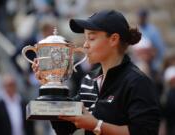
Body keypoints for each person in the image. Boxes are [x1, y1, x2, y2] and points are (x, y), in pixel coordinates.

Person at [32, 10, 160, 135]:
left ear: (113, 39)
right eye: (85, 38)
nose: (85, 45)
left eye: (91, 38)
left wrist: (96, 125)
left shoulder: (137, 82)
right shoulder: (89, 80)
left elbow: (145, 132)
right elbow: (64, 127)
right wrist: (50, 84)